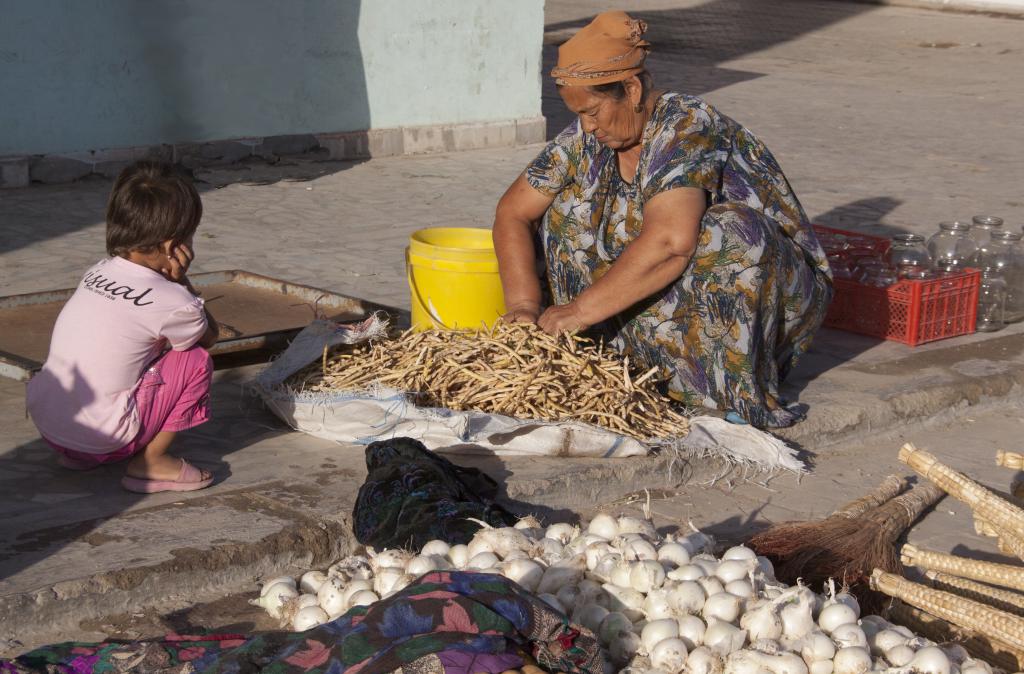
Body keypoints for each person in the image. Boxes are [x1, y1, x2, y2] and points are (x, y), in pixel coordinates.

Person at [493, 11, 832, 428]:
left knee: (731, 232)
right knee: (565, 208)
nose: (588, 126)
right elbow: (513, 211)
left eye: (594, 111)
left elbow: (673, 242)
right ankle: (623, 360)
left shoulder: (687, 126)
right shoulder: (587, 137)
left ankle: (724, 386)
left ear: (631, 89)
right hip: (664, 297)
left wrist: (579, 311)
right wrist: (524, 306)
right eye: (579, 114)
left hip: (765, 305)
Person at [27, 160, 220, 492]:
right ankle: (152, 461)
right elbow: (209, 337)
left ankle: (83, 454)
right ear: (174, 246)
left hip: (52, 429)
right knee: (194, 360)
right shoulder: (174, 301)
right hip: (106, 438)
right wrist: (183, 282)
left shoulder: (98, 270)